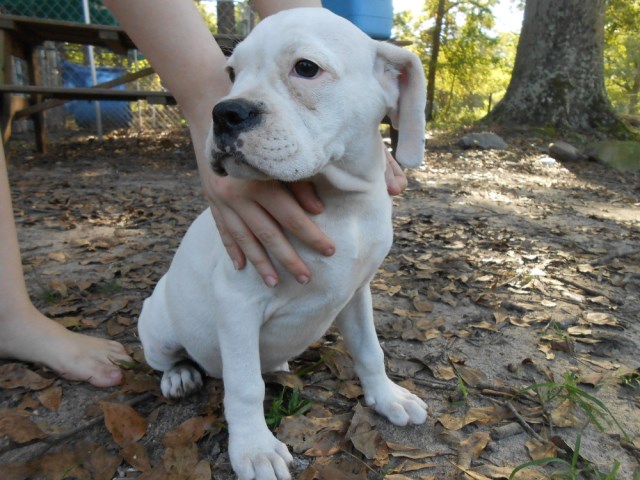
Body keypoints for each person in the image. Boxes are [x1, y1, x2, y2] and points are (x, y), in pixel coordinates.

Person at [0, 0, 408, 387]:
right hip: (191, 333)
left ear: (392, 84)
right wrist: (201, 102)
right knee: (176, 324)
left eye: (305, 68)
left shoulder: (369, 203)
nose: (232, 102)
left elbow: (353, 286)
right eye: (233, 75)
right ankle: (21, 321)